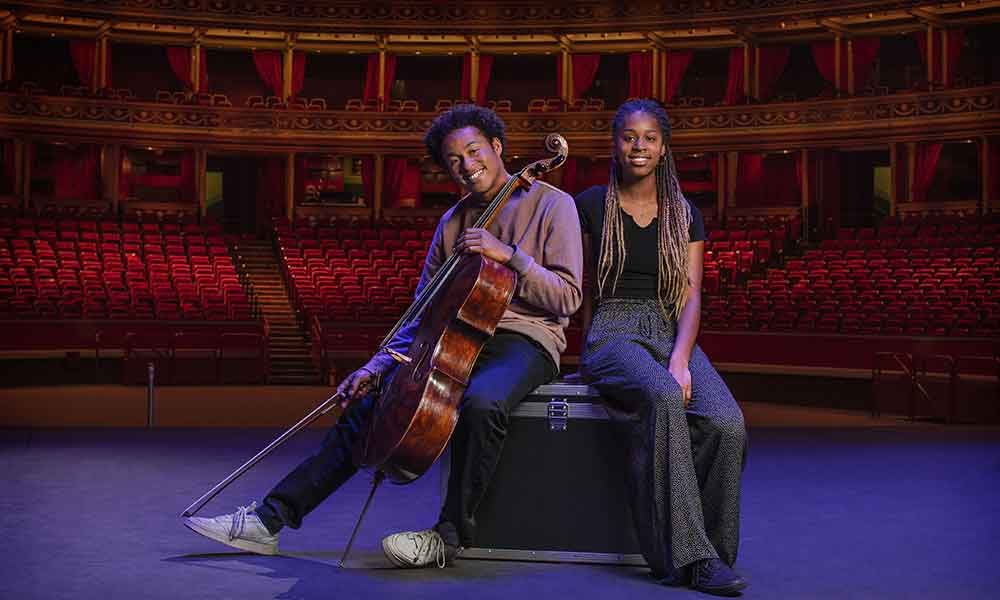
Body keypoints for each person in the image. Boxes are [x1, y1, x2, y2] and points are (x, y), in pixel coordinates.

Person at [183, 105, 583, 569]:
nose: (466, 164)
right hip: (455, 336)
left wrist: (509, 255)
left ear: (496, 148)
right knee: (368, 409)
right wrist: (375, 368)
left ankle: (449, 535)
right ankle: (270, 520)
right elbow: (422, 310)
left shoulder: (554, 205)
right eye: (453, 160)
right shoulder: (453, 223)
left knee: (483, 401)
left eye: (474, 151)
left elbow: (567, 297)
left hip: (525, 339)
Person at [575, 99, 747, 597]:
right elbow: (583, 285)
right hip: (614, 328)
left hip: (670, 329)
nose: (639, 146)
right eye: (630, 136)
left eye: (649, 137)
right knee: (665, 396)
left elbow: (692, 294)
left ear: (664, 147)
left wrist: (680, 358)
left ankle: (715, 552)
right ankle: (687, 558)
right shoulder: (589, 203)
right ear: (615, 143)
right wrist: (580, 354)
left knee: (727, 423)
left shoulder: (685, 212)